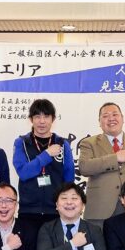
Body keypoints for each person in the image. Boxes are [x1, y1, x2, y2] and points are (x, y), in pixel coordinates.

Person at [77, 102, 125, 227]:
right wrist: (115, 158)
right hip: (99, 209)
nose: (111, 118)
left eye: (115, 114)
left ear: (122, 118)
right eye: (105, 116)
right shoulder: (89, 143)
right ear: (99, 122)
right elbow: (84, 167)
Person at [12, 98, 74, 239]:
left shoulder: (62, 144)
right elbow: (23, 172)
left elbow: (69, 177)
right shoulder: (21, 142)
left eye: (46, 116)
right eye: (37, 116)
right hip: (29, 210)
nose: (42, 121)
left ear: (53, 119)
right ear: (31, 119)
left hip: (55, 210)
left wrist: (65, 205)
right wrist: (46, 155)